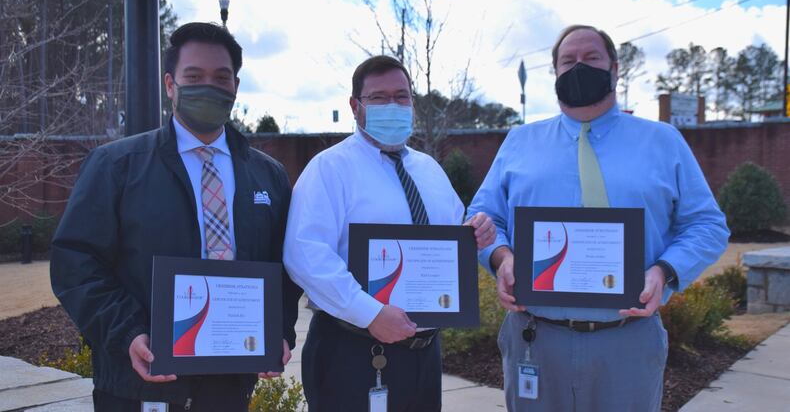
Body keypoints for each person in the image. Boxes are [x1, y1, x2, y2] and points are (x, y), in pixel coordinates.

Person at [467, 25, 730, 411]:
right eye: (567, 61)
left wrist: (664, 272)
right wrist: (501, 257)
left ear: (615, 69)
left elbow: (707, 225)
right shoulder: (519, 142)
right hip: (536, 339)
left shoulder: (663, 141)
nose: (578, 67)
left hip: (628, 339)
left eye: (591, 58)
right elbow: (483, 216)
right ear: (555, 72)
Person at [50, 22, 302, 412]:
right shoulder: (116, 165)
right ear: (170, 85)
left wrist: (279, 331)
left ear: (235, 86)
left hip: (230, 382)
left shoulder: (268, 175)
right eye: (194, 76)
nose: (210, 87)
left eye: (222, 78)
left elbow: (286, 267)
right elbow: (75, 262)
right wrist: (128, 333)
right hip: (138, 382)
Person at [283, 55, 496, 411]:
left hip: (423, 354)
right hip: (351, 350)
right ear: (355, 106)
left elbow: (454, 237)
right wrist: (370, 313)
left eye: (402, 96)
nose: (393, 105)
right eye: (379, 98)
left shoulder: (428, 169)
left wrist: (477, 232)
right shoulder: (329, 169)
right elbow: (305, 253)